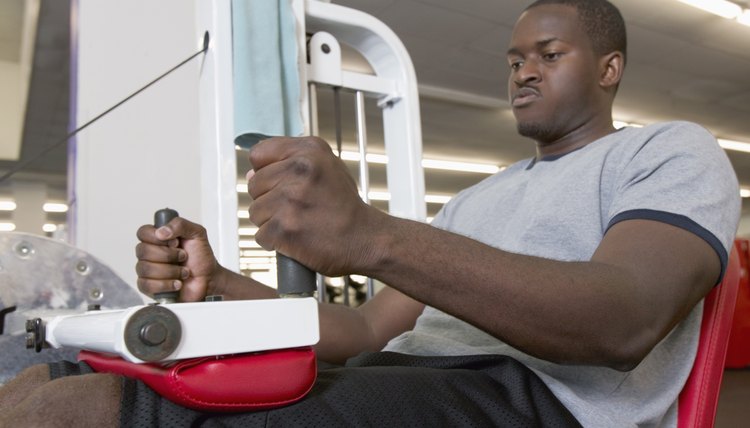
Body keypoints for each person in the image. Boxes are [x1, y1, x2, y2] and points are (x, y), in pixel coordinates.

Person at [0, 0, 740, 426]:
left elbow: (622, 321)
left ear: (609, 69)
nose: (523, 71)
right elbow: (358, 334)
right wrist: (219, 282)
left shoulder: (669, 154)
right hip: (412, 380)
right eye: (515, 58)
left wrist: (371, 236)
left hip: (538, 401)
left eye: (549, 54)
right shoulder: (478, 200)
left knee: (100, 410)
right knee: (51, 375)